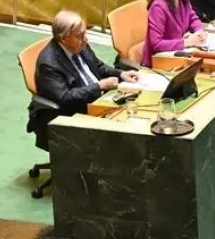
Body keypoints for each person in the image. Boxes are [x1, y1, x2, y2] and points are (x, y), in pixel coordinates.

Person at [29, 11, 138, 141]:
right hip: (77, 113)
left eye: (85, 32)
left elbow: (98, 66)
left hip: (100, 101)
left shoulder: (79, 45)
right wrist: (98, 86)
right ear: (63, 38)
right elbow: (65, 98)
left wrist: (121, 74)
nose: (86, 38)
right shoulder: (49, 64)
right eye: (80, 35)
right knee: (127, 133)